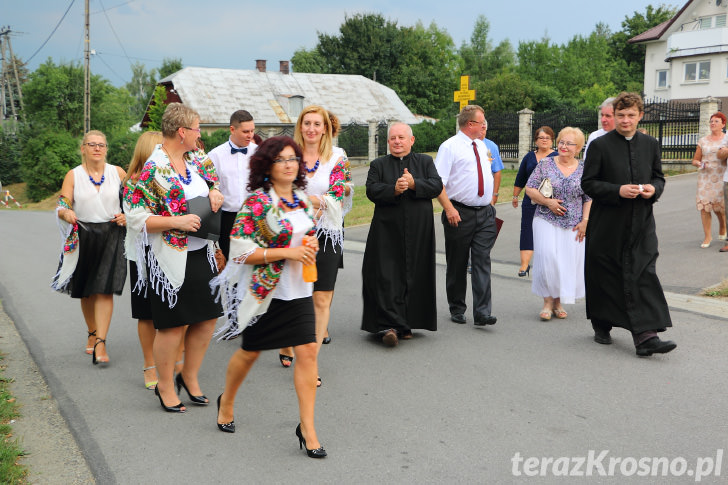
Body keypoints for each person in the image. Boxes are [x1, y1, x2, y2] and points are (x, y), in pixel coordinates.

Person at [212, 136, 325, 458]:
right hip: (266, 292)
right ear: (267, 166)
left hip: (300, 290)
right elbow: (238, 251)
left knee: (307, 352)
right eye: (282, 160)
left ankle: (307, 428)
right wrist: (286, 252)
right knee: (250, 352)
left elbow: (305, 234)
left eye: (294, 158)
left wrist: (309, 246)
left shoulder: (302, 199)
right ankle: (227, 400)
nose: (290, 164)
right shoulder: (257, 203)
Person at [126, 103, 224, 412]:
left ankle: (189, 376)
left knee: (207, 319)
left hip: (201, 250)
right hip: (170, 256)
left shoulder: (196, 159)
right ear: (181, 132)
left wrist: (215, 193)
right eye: (196, 129)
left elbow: (211, 184)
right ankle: (165, 385)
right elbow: (135, 217)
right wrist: (175, 222)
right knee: (172, 325)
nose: (199, 134)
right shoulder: (153, 170)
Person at [581, 92, 676, 357]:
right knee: (606, 276)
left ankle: (647, 337)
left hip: (642, 223)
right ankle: (602, 324)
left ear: (640, 115)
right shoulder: (600, 146)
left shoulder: (650, 144)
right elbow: (587, 183)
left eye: (631, 115)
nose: (625, 120)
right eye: (620, 115)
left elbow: (659, 178)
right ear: (613, 116)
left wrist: (652, 190)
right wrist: (617, 190)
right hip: (608, 224)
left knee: (642, 274)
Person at [278, 106, 347, 377]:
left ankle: (310, 361)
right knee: (293, 295)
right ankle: (286, 340)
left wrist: (304, 200)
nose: (311, 129)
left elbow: (337, 196)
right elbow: (276, 190)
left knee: (321, 298)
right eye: (307, 123)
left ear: (325, 128)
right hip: (292, 234)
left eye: (317, 124)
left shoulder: (337, 158)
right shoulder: (287, 155)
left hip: (327, 234)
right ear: (300, 126)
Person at [361, 122, 442, 346]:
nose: (397, 141)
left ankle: (406, 323)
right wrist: (393, 189)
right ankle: (388, 326)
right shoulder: (378, 164)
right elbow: (371, 189)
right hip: (387, 230)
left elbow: (436, 185)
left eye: (401, 138)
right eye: (393, 138)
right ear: (388, 142)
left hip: (418, 229)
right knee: (386, 274)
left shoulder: (424, 162)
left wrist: (415, 183)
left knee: (414, 273)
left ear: (411, 140)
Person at [52, 130, 127, 365]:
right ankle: (92, 332)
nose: (97, 148)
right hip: (83, 234)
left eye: (101, 145)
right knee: (86, 290)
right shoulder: (73, 175)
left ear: (106, 149)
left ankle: (101, 343)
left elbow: (134, 202)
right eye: (92, 144)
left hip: (112, 234)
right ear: (83, 148)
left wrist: (126, 215)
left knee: (104, 289)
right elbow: (63, 202)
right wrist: (66, 211)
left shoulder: (118, 173)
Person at [435, 105, 498, 327]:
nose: (484, 126)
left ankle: (482, 312)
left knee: (482, 260)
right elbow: (438, 183)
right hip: (459, 212)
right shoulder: (449, 147)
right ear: (470, 124)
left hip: (484, 213)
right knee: (457, 262)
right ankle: (457, 306)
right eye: (482, 122)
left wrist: (490, 203)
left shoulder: (481, 146)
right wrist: (449, 209)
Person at [525, 127, 591, 320]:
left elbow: (589, 197)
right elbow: (529, 188)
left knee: (565, 262)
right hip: (545, 218)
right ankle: (547, 302)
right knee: (548, 258)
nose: (564, 146)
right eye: (561, 142)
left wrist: (585, 221)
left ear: (578, 148)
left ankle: (558, 302)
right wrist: (548, 202)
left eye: (569, 144)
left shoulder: (584, 168)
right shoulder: (545, 164)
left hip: (573, 223)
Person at [122, 130, 163, 389]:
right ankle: (150, 364)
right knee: (147, 315)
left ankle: (171, 362)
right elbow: (137, 221)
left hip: (171, 252)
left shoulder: (172, 178)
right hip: (142, 255)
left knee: (173, 314)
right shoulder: (132, 183)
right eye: (160, 148)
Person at [208, 110, 258, 260]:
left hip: (254, 216)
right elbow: (210, 186)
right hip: (227, 219)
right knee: (229, 263)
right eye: (245, 131)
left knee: (252, 262)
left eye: (252, 131)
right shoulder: (215, 155)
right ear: (232, 129)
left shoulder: (259, 153)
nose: (250, 135)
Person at [512, 126, 558, 277]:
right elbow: (520, 177)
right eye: (541, 138)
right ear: (536, 140)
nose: (544, 140)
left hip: (552, 201)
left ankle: (549, 264)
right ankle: (524, 265)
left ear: (552, 140)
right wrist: (515, 196)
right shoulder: (529, 157)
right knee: (527, 230)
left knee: (550, 231)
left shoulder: (558, 156)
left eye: (547, 138)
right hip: (530, 200)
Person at [690, 112, 727, 248]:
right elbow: (695, 159)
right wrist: (698, 164)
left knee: (719, 207)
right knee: (704, 207)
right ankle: (707, 236)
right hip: (705, 178)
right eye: (711, 121)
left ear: (723, 124)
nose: (713, 123)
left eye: (716, 121)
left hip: (721, 176)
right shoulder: (703, 141)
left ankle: (723, 226)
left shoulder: (726, 139)